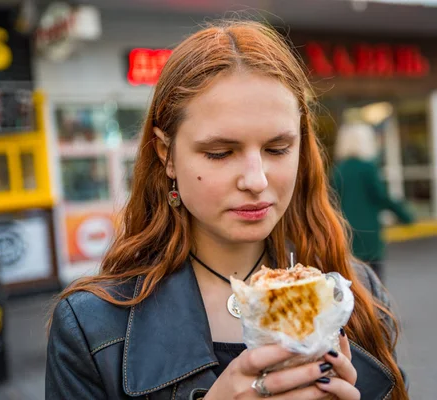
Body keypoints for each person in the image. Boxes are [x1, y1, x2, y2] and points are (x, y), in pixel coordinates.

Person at [46, 21, 409, 400]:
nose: (256, 180)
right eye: (220, 153)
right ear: (166, 154)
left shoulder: (357, 293)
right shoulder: (93, 328)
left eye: (277, 149)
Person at [332, 123, 414, 283]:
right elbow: (381, 196)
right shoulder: (367, 168)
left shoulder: (339, 170)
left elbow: (332, 199)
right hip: (368, 234)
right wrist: (405, 216)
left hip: (346, 232)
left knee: (353, 283)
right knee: (374, 283)